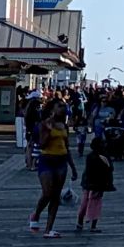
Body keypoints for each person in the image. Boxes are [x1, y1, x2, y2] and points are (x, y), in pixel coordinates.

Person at [27, 99, 76, 238]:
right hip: (47, 160)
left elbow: (66, 147)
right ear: (52, 109)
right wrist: (48, 131)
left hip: (61, 161)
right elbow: (41, 145)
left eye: (64, 106)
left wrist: (73, 167)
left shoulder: (64, 126)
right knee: (47, 193)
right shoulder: (44, 124)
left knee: (56, 196)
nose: (62, 108)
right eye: (59, 106)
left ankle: (49, 229)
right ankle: (36, 215)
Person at [76, 136, 114, 233]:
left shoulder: (91, 156)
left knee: (85, 202)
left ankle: (80, 222)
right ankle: (92, 225)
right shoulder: (104, 156)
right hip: (97, 183)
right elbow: (109, 169)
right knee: (95, 203)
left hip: (89, 183)